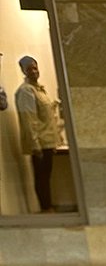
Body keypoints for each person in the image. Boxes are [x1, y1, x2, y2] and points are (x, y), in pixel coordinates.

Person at [14, 56, 61, 212]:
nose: (34, 71)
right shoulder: (26, 91)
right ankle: (45, 207)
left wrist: (55, 141)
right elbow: (29, 119)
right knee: (41, 176)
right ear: (23, 71)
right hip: (39, 142)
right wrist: (35, 145)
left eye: (35, 67)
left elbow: (47, 116)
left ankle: (48, 205)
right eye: (29, 69)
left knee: (46, 176)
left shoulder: (40, 89)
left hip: (47, 140)